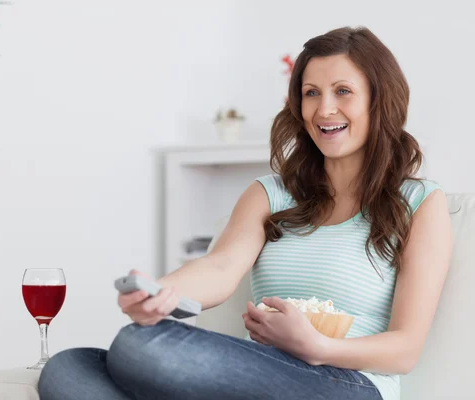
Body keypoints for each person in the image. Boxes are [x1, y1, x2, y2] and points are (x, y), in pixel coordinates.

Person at [38, 26, 453, 400]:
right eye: (311, 93)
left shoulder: (419, 203)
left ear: (379, 99)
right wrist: (161, 294)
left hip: (347, 382)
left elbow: (405, 348)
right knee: (69, 367)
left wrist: (317, 347)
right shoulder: (270, 193)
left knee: (136, 348)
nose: (324, 109)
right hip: (258, 372)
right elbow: (220, 267)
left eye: (343, 91)